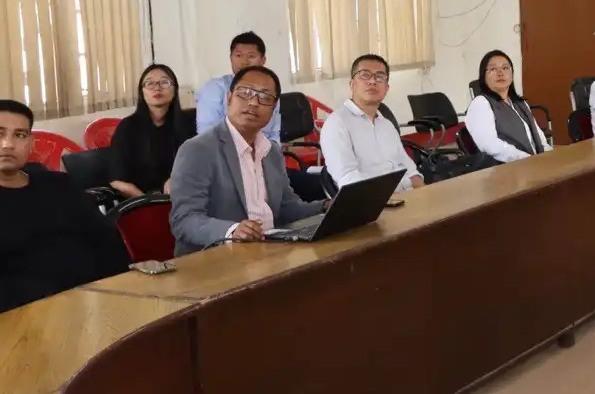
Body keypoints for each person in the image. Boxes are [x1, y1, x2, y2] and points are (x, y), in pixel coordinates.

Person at [0, 100, 130, 315]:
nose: (8, 144)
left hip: (98, 302)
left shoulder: (60, 184)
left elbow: (108, 244)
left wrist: (114, 293)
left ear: (30, 143)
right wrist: (66, 297)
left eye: (20, 135)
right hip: (27, 316)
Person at [169, 66, 326, 256]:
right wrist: (232, 231)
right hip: (218, 259)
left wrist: (325, 207)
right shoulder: (197, 150)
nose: (253, 102)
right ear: (229, 98)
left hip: (269, 252)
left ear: (274, 109)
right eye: (245, 93)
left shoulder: (271, 151)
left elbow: (286, 208)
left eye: (265, 97)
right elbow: (184, 220)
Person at [320, 54, 424, 193]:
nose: (372, 81)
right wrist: (407, 183)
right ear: (352, 84)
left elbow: (412, 172)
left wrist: (416, 185)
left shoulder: (386, 125)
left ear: (386, 88)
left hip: (405, 198)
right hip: (370, 203)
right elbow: (350, 183)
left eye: (379, 77)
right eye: (365, 75)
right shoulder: (337, 123)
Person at [108, 64, 192, 199]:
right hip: (141, 201)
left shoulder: (189, 123)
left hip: (184, 198)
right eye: (150, 83)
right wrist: (149, 202)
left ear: (175, 89)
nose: (157, 88)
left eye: (164, 82)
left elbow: (200, 164)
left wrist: (178, 178)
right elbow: (117, 182)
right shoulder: (127, 127)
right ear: (142, 92)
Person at [464, 50, 552, 164]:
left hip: (533, 165)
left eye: (505, 68)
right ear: (483, 76)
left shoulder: (520, 103)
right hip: (507, 169)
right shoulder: (481, 103)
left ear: (512, 74)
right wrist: (527, 159)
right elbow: (490, 145)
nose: (500, 73)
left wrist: (549, 157)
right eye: (493, 69)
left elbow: (539, 137)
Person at [196, 32, 279, 141]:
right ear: (231, 58)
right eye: (239, 55)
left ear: (263, 60)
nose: (244, 62)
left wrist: (273, 151)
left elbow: (274, 134)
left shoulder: (270, 90)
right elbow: (207, 135)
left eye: (251, 56)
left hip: (262, 149)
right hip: (224, 149)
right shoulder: (214, 88)